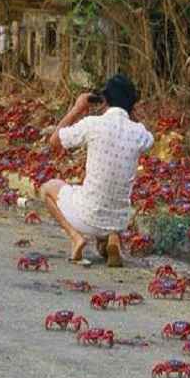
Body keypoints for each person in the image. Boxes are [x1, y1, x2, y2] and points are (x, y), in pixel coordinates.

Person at [41, 75, 154, 266]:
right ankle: (113, 238)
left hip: (87, 216)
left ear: (105, 100)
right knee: (113, 189)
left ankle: (76, 237)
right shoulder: (139, 133)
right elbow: (149, 136)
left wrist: (77, 108)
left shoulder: (93, 124)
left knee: (48, 188)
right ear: (131, 103)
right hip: (119, 220)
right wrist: (131, 111)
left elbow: (54, 141)